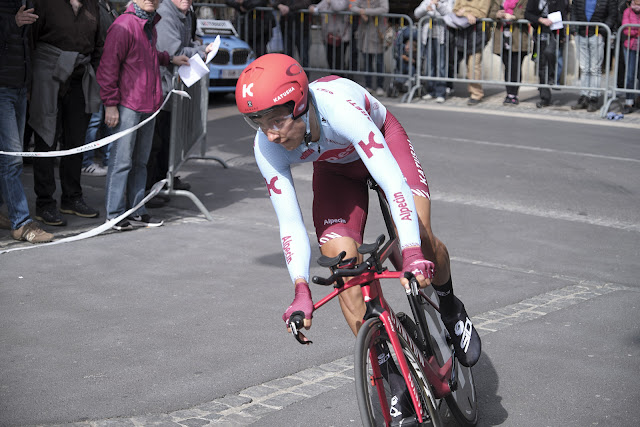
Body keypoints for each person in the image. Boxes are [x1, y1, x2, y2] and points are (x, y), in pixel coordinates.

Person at [235, 53, 481, 425]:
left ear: (299, 104)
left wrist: (412, 253)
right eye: (258, 123)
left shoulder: (340, 109)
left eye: (276, 121)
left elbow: (391, 182)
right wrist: (300, 288)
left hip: (383, 143)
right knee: (345, 272)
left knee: (415, 240)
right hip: (335, 172)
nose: (270, 134)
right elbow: (289, 222)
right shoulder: (266, 145)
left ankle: (450, 307)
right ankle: (390, 372)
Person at [97, 0, 189, 231]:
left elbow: (146, 56)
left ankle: (137, 210)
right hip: (129, 105)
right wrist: (110, 105)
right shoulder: (124, 25)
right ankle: (115, 215)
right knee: (122, 162)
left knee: (139, 162)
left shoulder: (147, 23)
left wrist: (169, 59)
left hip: (147, 105)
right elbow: (108, 67)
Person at [29, 0, 103, 226]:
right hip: (47, 75)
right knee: (45, 139)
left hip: (80, 77)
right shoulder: (44, 2)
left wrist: (97, 78)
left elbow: (99, 45)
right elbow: (30, 41)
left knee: (76, 141)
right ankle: (45, 203)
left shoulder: (93, 5)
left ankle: (72, 198)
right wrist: (30, 83)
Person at [146, 0, 218, 201]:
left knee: (168, 137)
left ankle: (163, 178)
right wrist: (202, 51)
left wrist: (199, 47)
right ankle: (151, 187)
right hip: (161, 88)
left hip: (171, 87)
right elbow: (174, 51)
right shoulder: (166, 14)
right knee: (157, 140)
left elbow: (186, 44)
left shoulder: (185, 13)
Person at [0, 0, 53, 244]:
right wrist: (12, 23)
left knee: (9, 158)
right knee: (12, 160)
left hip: (19, 87)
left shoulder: (24, 3)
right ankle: (21, 223)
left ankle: (7, 210)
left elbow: (24, 47)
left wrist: (28, 84)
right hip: (3, 90)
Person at [81, 0, 118, 178]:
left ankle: (107, 160)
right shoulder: (95, 6)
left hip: (104, 69)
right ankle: (86, 162)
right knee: (95, 120)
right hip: (98, 69)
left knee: (105, 121)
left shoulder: (107, 6)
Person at [570, 0, 618, 112]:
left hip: (596, 34)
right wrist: (574, 29)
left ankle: (594, 98)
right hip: (581, 33)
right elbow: (573, 12)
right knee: (584, 68)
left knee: (595, 68)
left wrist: (603, 31)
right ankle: (584, 97)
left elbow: (612, 14)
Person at [445, 0, 492, 105]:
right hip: (462, 32)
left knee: (473, 64)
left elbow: (482, 13)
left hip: (478, 32)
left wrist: (464, 12)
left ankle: (476, 94)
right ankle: (470, 90)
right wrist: (467, 14)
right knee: (463, 63)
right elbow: (455, 10)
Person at [525, 0, 569, 108]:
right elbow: (528, 14)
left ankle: (552, 76)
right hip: (540, 33)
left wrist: (563, 35)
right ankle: (545, 97)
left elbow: (563, 14)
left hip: (555, 33)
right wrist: (540, 20)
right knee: (541, 65)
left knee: (549, 52)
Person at [490, 0, 531, 105]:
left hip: (519, 37)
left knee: (516, 67)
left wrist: (513, 17)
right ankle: (509, 93)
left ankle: (514, 94)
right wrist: (497, 14)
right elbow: (490, 12)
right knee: (507, 67)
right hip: (503, 37)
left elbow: (529, 14)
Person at [415, 0, 455, 103]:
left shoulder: (448, 1)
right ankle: (431, 90)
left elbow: (450, 13)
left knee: (441, 66)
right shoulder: (427, 1)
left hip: (441, 37)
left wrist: (438, 5)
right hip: (428, 36)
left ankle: (441, 92)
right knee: (429, 65)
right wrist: (425, 9)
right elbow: (416, 13)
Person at [351, 0, 389, 96]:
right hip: (364, 35)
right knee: (367, 62)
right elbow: (352, 6)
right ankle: (369, 85)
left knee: (379, 62)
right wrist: (361, 12)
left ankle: (380, 86)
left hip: (377, 33)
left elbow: (384, 9)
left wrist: (365, 11)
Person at [310, 0, 351, 72]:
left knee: (339, 61)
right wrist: (312, 7)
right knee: (330, 59)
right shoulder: (326, 1)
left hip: (341, 36)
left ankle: (340, 79)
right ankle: (332, 78)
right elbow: (317, 8)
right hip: (328, 36)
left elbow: (337, 8)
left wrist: (330, 1)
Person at [272, 0, 314, 68]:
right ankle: (287, 77)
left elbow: (306, 4)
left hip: (302, 29)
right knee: (287, 56)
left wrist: (289, 8)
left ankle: (305, 77)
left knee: (304, 56)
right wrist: (279, 6)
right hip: (287, 28)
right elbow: (274, 3)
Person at [621, 0, 640, 114]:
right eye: (636, 3)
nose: (637, 5)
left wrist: (634, 29)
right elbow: (625, 29)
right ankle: (629, 101)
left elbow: (631, 29)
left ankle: (638, 98)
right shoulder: (627, 12)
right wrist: (637, 31)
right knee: (630, 75)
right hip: (630, 47)